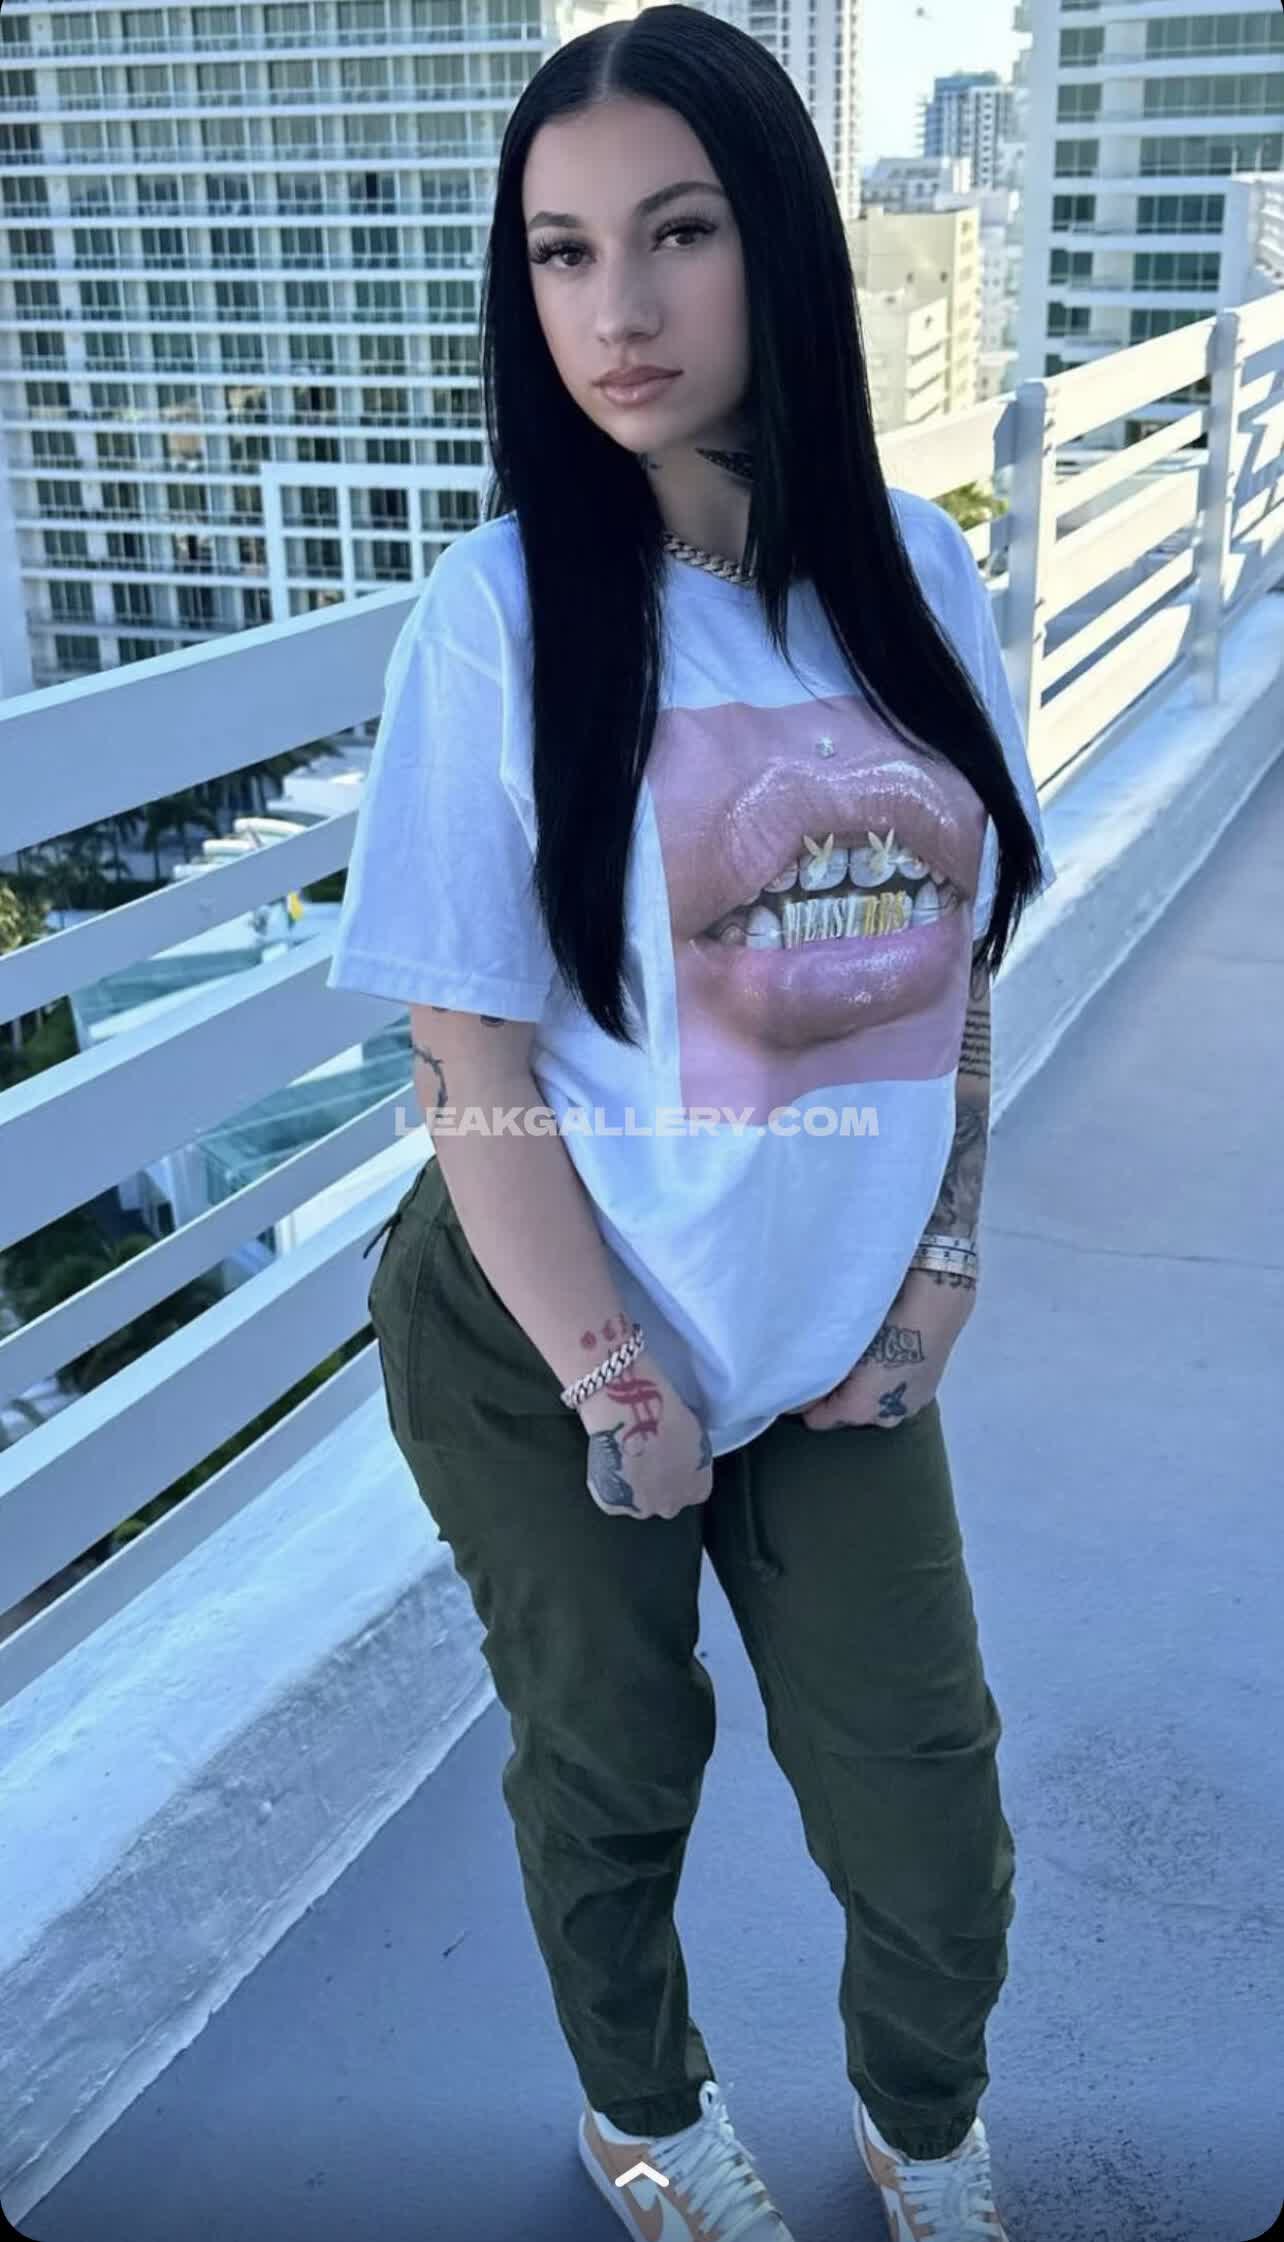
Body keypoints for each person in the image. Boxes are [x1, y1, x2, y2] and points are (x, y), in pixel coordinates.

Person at [327, 10, 1056, 2238]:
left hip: (833, 1337)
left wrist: (938, 1274)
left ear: (785, 253)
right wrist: (617, 1376)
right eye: (560, 255)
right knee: (615, 1769)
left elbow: (955, 963)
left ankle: (924, 2124)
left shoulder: (917, 575)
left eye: (678, 234)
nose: (616, 310)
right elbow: (469, 1056)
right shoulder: (504, 617)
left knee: (929, 1807)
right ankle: (645, 2115)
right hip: (547, 1330)